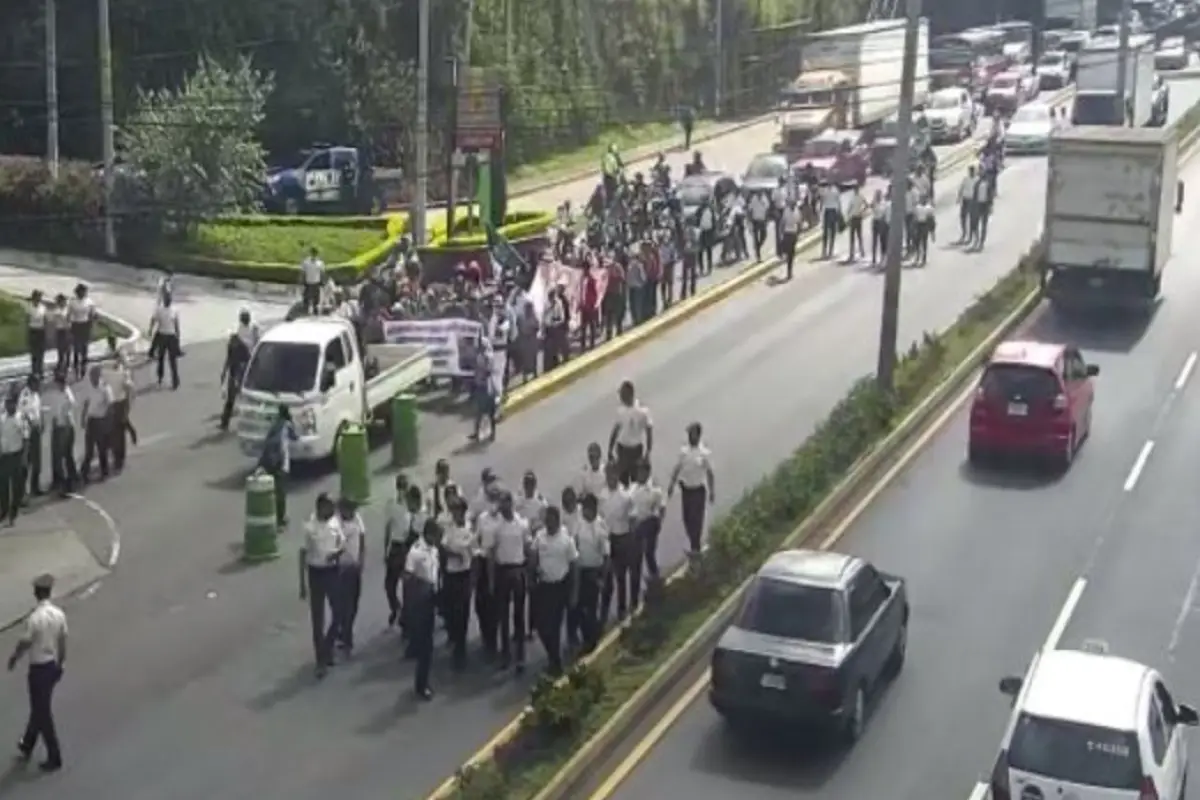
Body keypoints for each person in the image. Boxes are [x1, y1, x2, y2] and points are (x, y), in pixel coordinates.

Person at [8, 574, 66, 772]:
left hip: (38, 669)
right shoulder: (59, 614)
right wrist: (61, 663)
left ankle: (55, 756)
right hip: (51, 665)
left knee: (42, 713)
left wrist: (14, 658)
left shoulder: (35, 618)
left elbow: (25, 642)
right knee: (39, 707)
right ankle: (27, 744)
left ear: (36, 594)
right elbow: (62, 640)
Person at [298, 493, 344, 677]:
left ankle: (328, 646)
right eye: (330, 507)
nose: (333, 510)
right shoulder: (310, 527)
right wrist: (302, 584)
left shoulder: (334, 522)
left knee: (339, 612)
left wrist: (338, 552)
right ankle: (321, 660)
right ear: (320, 507)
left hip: (332, 571)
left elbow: (341, 541)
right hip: (316, 573)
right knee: (318, 619)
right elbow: (302, 555)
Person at [485, 491, 531, 673]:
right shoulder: (496, 528)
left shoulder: (522, 524)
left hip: (518, 569)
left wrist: (529, 573)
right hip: (502, 571)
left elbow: (527, 549)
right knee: (502, 616)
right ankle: (505, 654)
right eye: (500, 504)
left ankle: (520, 655)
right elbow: (490, 555)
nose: (502, 507)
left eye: (505, 503)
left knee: (519, 615)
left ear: (511, 504)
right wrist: (490, 579)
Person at [532, 505, 577, 676]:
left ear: (557, 520)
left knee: (554, 626)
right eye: (546, 520)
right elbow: (534, 556)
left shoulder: (566, 540)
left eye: (551, 520)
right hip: (544, 587)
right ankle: (553, 656)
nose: (548, 523)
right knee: (542, 626)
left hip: (560, 587)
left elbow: (574, 566)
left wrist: (573, 592)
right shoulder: (540, 537)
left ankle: (555, 662)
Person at [404, 517, 441, 699]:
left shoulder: (433, 550)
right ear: (428, 534)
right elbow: (408, 577)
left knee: (428, 645)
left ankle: (423, 681)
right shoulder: (415, 552)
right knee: (426, 646)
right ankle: (421, 685)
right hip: (421, 601)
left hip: (430, 597)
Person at [667, 421, 716, 556]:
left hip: (698, 490)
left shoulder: (704, 453)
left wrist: (712, 491)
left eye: (692, 434)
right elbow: (677, 469)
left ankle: (695, 547)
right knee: (687, 519)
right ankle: (694, 544)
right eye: (689, 434)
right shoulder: (684, 452)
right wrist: (671, 485)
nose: (689, 437)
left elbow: (710, 473)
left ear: (698, 436)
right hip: (686, 490)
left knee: (697, 520)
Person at [598, 461, 637, 625]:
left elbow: (633, 517)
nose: (610, 478)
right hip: (608, 539)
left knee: (621, 577)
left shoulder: (625, 496)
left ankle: (622, 610)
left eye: (613, 474)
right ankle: (603, 615)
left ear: (617, 474)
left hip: (622, 537)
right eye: (608, 474)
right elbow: (600, 517)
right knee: (607, 578)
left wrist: (631, 539)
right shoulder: (602, 495)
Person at [571, 493, 609, 653]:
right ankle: (586, 635)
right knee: (578, 607)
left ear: (594, 508)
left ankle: (591, 641)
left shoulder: (601, 527)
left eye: (588, 508)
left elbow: (606, 555)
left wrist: (602, 578)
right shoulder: (578, 524)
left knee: (591, 608)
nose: (585, 511)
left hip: (594, 571)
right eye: (584, 508)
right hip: (580, 571)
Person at [440, 497, 475, 669]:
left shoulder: (469, 528)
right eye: (453, 510)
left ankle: (460, 648)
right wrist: (456, 554)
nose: (455, 513)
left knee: (463, 612)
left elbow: (473, 549)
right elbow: (444, 548)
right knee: (452, 611)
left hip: (465, 574)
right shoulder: (449, 529)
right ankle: (454, 638)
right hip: (451, 575)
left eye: (457, 510)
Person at [383, 474, 417, 626]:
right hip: (396, 545)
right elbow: (387, 527)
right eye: (400, 486)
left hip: (408, 546)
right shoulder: (391, 504)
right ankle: (396, 607)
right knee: (389, 584)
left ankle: (406, 615)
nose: (402, 489)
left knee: (407, 583)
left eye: (405, 486)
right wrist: (385, 549)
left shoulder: (412, 506)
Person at [335, 496, 366, 654]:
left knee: (353, 603)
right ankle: (346, 635)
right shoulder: (336, 523)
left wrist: (361, 560)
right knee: (343, 604)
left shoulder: (357, 519)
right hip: (341, 568)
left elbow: (362, 539)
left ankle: (346, 630)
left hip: (354, 567)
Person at [608, 380, 653, 486]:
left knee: (636, 482)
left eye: (622, 394)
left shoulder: (643, 412)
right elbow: (616, 430)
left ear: (629, 394)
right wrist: (610, 449)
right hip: (623, 449)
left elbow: (649, 432)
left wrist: (648, 452)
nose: (620, 397)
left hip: (636, 450)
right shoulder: (620, 411)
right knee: (622, 481)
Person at [258, 405, 297, 528]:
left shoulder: (275, 426)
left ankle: (272, 515)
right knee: (281, 493)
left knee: (273, 491)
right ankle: (280, 519)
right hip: (281, 464)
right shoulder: (287, 425)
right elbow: (295, 437)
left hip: (271, 462)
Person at [630, 459, 666, 580]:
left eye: (642, 471)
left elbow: (661, 507)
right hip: (635, 525)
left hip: (649, 523)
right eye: (638, 471)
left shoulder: (654, 490)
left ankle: (655, 578)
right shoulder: (632, 488)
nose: (639, 474)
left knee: (649, 554)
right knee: (637, 557)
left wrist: (659, 521)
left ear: (647, 472)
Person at [45, 371, 77, 497]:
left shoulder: (65, 395)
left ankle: (65, 484)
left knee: (62, 456)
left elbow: (67, 412)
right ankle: (68, 479)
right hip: (60, 426)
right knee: (65, 455)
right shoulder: (61, 393)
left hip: (64, 427)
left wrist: (62, 424)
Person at [0, 388, 29, 524]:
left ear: (15, 404)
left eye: (10, 403)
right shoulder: (2, 418)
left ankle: (13, 512)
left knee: (16, 485)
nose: (8, 405)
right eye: (6, 403)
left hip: (16, 455)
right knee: (3, 484)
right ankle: (4, 509)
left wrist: (24, 457)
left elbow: (26, 438)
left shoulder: (20, 418)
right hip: (4, 456)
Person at [108, 350, 136, 472]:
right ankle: (117, 456)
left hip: (120, 403)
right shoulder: (109, 373)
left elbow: (130, 390)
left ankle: (119, 458)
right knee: (116, 432)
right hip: (112, 404)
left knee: (118, 433)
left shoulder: (123, 374)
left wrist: (128, 406)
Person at [149, 293, 181, 389]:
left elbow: (176, 323)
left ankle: (175, 381)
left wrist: (178, 334)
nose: (168, 301)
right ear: (164, 300)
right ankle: (160, 377)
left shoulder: (174, 310)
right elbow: (153, 319)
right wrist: (150, 329)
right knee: (161, 358)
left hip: (171, 337)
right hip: (162, 335)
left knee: (173, 360)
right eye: (166, 299)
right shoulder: (159, 310)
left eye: (169, 299)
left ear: (170, 300)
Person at [20, 375, 43, 498]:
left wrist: (41, 423)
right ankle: (23, 491)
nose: (39, 385)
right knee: (26, 463)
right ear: (31, 383)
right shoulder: (25, 396)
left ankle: (35, 486)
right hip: (28, 434)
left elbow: (38, 411)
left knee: (37, 461)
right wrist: (34, 426)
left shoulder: (36, 395)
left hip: (36, 431)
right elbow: (25, 413)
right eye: (37, 383)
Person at [67, 284, 95, 382]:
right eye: (80, 292)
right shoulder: (72, 302)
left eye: (84, 292)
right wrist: (69, 326)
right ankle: (76, 369)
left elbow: (92, 314)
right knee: (76, 348)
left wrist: (91, 326)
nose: (82, 293)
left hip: (85, 326)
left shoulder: (89, 302)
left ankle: (83, 367)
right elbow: (69, 315)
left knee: (84, 348)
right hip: (76, 325)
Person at [778, 197, 801, 280]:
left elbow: (799, 222)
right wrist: (781, 233)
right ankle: (789, 270)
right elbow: (782, 222)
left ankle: (789, 271)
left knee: (792, 253)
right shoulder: (786, 211)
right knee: (788, 252)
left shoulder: (797, 211)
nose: (792, 205)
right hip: (787, 233)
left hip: (793, 233)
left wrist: (798, 233)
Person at [844, 184, 867, 262]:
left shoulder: (859, 197)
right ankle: (853, 252)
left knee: (858, 235)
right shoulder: (854, 197)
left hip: (857, 217)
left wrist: (862, 211)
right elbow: (850, 208)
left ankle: (860, 251)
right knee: (854, 236)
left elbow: (866, 205)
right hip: (854, 217)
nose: (855, 190)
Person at [819, 181, 842, 259]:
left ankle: (824, 251)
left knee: (826, 232)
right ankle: (830, 252)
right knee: (832, 232)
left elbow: (822, 202)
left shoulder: (824, 191)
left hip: (827, 211)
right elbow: (839, 202)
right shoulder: (836, 190)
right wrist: (839, 212)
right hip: (833, 211)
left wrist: (820, 211)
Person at [27, 290, 47, 379]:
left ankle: (40, 370)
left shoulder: (43, 308)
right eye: (37, 297)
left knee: (41, 352)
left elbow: (45, 320)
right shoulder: (29, 307)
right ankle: (34, 371)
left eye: (39, 297)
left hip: (41, 331)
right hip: (33, 330)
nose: (38, 299)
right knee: (34, 352)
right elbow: (26, 320)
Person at [300, 247, 325, 315]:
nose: (314, 255)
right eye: (313, 253)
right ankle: (305, 311)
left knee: (316, 299)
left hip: (316, 283)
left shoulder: (320, 263)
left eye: (315, 253)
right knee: (307, 298)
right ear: (311, 253)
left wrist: (322, 282)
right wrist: (302, 281)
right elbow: (303, 272)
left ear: (317, 254)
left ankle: (315, 311)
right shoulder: (306, 262)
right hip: (308, 283)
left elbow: (322, 273)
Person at [957, 165, 979, 244]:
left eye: (973, 171)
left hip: (973, 200)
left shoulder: (977, 180)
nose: (971, 172)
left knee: (972, 219)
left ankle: (971, 236)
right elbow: (961, 188)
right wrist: (959, 197)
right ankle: (964, 233)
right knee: (963, 217)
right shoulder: (965, 179)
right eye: (970, 171)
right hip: (965, 200)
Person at [871, 188, 891, 267]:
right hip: (875, 222)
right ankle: (874, 258)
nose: (878, 196)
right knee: (874, 241)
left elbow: (885, 214)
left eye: (879, 195)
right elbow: (872, 210)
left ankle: (883, 258)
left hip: (881, 222)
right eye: (877, 195)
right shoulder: (874, 203)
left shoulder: (884, 204)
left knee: (883, 241)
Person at [748, 191, 770, 262]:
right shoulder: (753, 199)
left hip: (762, 220)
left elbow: (767, 209)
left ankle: (757, 247)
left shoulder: (764, 198)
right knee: (756, 238)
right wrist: (750, 220)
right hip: (756, 221)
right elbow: (750, 210)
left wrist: (767, 219)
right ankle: (758, 256)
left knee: (764, 236)